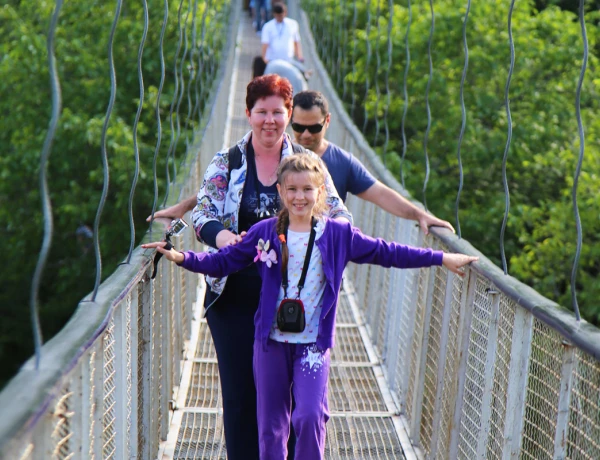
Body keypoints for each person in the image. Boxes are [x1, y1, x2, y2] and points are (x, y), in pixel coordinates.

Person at [142, 154, 478, 459]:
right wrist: (180, 256)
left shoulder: (337, 235)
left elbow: (387, 251)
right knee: (272, 425)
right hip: (270, 343)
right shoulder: (265, 233)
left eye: (307, 189)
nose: (299, 197)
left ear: (320, 192)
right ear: (281, 192)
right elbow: (224, 262)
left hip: (312, 347)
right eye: (292, 190)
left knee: (309, 416)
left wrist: (441, 257)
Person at [149, 75, 350, 459]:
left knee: (292, 403)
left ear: (289, 115)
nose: (270, 120)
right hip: (236, 301)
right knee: (241, 399)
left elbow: (340, 214)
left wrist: (326, 237)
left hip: (295, 304)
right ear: (248, 114)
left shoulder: (308, 167)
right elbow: (205, 208)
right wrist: (224, 240)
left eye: (278, 112)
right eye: (262, 112)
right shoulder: (227, 161)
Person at [292, 90, 455, 234]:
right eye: (299, 127)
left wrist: (419, 215)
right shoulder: (278, 154)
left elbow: (381, 194)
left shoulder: (342, 162)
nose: (306, 135)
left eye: (314, 128)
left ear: (327, 121)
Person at [261, 2, 304, 69]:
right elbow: (265, 44)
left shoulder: (293, 24)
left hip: (288, 60)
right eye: (277, 16)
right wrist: (264, 58)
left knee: (301, 72)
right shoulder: (268, 26)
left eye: (281, 15)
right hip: (272, 61)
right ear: (274, 14)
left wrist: (299, 56)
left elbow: (296, 42)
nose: (279, 18)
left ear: (285, 13)